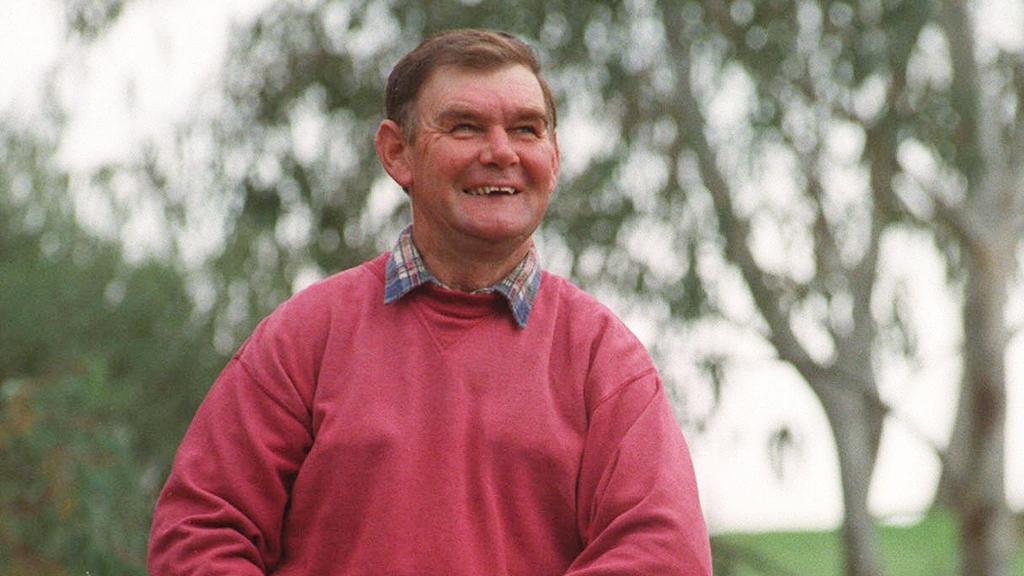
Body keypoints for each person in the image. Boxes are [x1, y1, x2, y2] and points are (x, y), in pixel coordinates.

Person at [148, 28, 712, 575]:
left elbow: (664, 556)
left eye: (525, 129)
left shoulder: (604, 362)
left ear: (554, 156)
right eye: (465, 127)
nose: (500, 152)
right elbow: (200, 533)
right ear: (398, 154)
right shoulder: (303, 339)